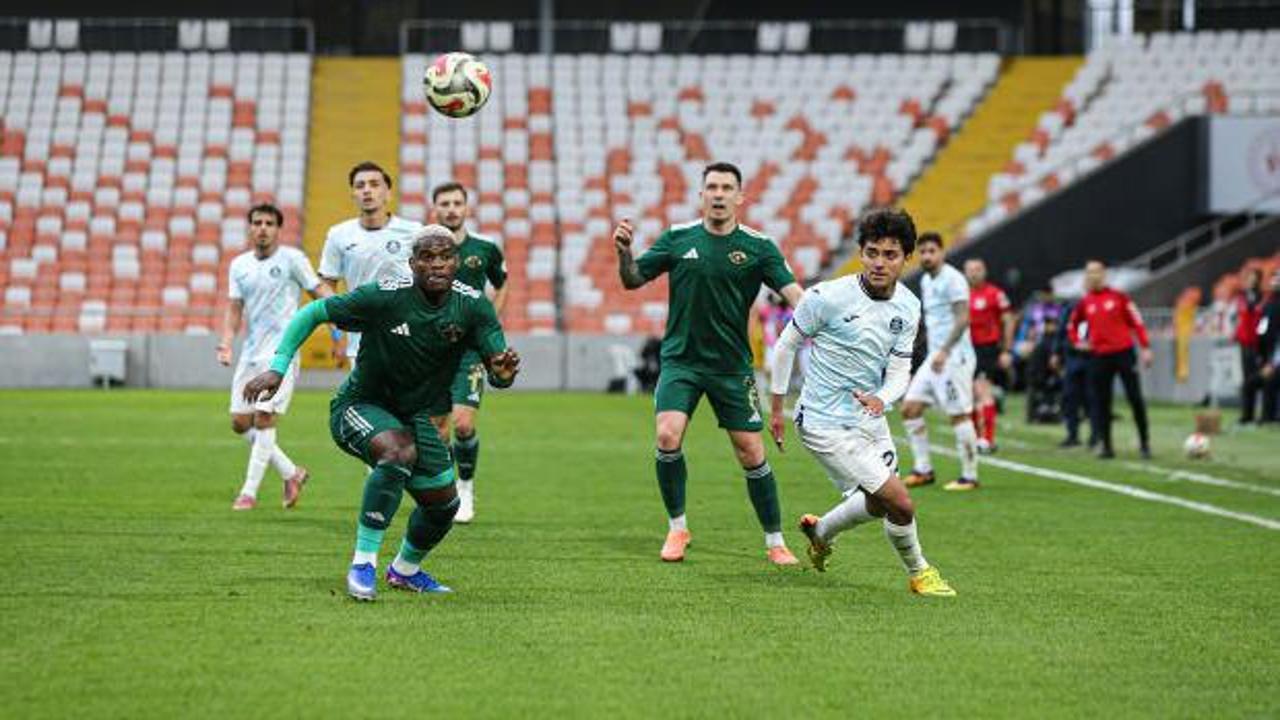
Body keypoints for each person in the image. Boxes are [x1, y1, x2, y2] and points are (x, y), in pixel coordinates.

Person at [242, 225, 521, 601]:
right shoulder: (385, 296)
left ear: (457, 262)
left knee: (444, 505)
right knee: (398, 452)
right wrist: (278, 366)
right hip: (358, 406)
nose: (436, 265)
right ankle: (363, 564)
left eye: (445, 257)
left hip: (413, 417)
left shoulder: (473, 305)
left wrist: (502, 375)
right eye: (427, 257)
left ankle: (405, 571)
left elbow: (498, 368)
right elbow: (313, 313)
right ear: (412, 263)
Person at [613, 161, 805, 565]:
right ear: (701, 195)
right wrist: (624, 252)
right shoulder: (678, 238)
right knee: (667, 436)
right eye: (711, 187)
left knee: (751, 452)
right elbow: (632, 280)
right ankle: (677, 528)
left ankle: (775, 541)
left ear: (740, 197)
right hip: (681, 361)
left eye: (726, 188)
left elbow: (797, 299)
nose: (718, 194)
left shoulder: (759, 246)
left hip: (731, 367)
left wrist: (827, 327)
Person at [769, 208, 955, 597]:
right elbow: (786, 344)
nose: (879, 263)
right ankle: (920, 573)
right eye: (872, 252)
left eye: (890, 255)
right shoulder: (827, 296)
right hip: (823, 422)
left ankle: (820, 533)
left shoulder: (908, 306)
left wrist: (881, 399)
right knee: (900, 502)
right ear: (861, 252)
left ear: (906, 258)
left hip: (869, 416)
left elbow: (901, 369)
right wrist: (776, 408)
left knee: (877, 501)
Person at [217, 203, 331, 510]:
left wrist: (341, 317)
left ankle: (248, 493)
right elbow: (234, 307)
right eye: (257, 222)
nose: (263, 227)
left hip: (281, 354)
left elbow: (317, 289)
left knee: (264, 417)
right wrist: (227, 342)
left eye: (269, 222)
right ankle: (291, 473)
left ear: (278, 229)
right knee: (240, 423)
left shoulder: (292, 259)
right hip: (251, 352)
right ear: (250, 227)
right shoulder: (239, 265)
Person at [431, 181, 509, 523]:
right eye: (444, 203)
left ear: (467, 208)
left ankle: (465, 488)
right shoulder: (424, 250)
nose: (451, 208)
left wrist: (490, 321)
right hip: (431, 350)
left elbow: (502, 283)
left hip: (469, 352)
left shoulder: (485, 249)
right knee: (437, 430)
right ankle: (444, 489)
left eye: (456, 202)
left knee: (463, 425)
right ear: (435, 209)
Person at [318, 161, 424, 363]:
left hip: (408, 336)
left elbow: (428, 280)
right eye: (360, 186)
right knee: (367, 395)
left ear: (388, 193)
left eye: (374, 184)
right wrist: (337, 332)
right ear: (353, 195)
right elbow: (325, 285)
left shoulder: (413, 231)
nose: (367, 190)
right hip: (360, 340)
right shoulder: (339, 234)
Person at [901, 233, 981, 491]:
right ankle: (923, 469)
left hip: (954, 356)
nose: (926, 256)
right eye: (922, 251)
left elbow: (962, 319)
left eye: (931, 251)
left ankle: (969, 476)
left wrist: (945, 351)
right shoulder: (926, 279)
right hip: (935, 357)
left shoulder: (954, 279)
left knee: (958, 413)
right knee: (910, 408)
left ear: (942, 253)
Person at [1067, 260, 1153, 459]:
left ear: (1104, 274)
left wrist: (1145, 347)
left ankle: (1145, 442)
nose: (1093, 276)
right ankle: (1107, 446)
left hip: (1124, 353)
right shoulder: (1085, 302)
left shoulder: (1119, 297)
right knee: (1101, 402)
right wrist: (1078, 342)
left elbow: (1137, 322)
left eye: (1096, 272)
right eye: (1089, 272)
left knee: (1135, 398)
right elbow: (1072, 325)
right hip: (1099, 356)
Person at [964, 258, 1014, 453]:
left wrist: (1006, 350)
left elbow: (1009, 320)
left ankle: (987, 438)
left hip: (986, 348)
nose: (974, 273)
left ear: (984, 271)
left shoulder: (995, 293)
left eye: (978, 269)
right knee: (969, 394)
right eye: (970, 270)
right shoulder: (961, 294)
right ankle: (978, 437)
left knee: (983, 391)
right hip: (965, 350)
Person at [1052, 299, 1097, 447]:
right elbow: (1062, 331)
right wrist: (1056, 352)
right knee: (1070, 397)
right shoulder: (1071, 308)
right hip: (1073, 358)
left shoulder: (1096, 308)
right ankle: (1072, 434)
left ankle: (1095, 435)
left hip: (1092, 357)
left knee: (1092, 398)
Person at [1234, 268, 1266, 425]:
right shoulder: (1243, 296)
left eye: (1253, 277)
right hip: (1245, 342)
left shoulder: (1261, 297)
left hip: (1255, 342)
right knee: (1247, 379)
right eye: (1249, 277)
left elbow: (1256, 316)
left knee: (1254, 379)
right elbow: (1243, 316)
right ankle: (1247, 414)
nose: (1250, 280)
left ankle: (1255, 413)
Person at [1257, 271, 1280, 423]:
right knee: (1267, 383)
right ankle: (1267, 416)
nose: (1275, 282)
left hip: (1276, 354)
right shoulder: (1269, 305)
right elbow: (1262, 329)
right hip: (1268, 350)